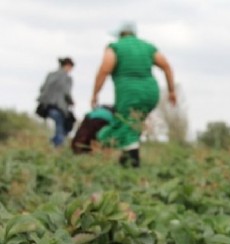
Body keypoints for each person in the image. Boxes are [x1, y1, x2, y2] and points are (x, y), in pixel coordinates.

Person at [91, 21, 176, 167]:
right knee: (132, 125)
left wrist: (95, 93)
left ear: (120, 35)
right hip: (150, 93)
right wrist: (171, 91)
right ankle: (125, 162)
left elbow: (105, 69)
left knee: (125, 124)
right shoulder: (148, 47)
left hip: (129, 93)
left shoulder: (115, 47)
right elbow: (166, 66)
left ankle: (130, 162)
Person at [36, 57, 76, 147]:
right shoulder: (67, 78)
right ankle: (57, 144)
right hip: (59, 107)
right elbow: (67, 93)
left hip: (45, 107)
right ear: (68, 66)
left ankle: (55, 141)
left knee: (60, 125)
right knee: (63, 125)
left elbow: (42, 89)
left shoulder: (50, 75)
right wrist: (72, 102)